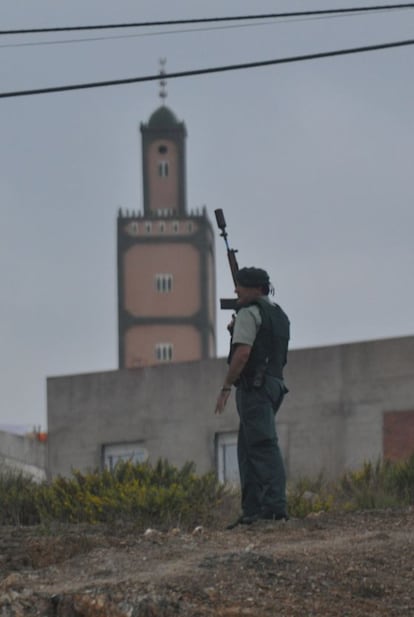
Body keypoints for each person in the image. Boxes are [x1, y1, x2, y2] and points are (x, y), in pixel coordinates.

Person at [214, 266, 290, 528]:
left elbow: (243, 354)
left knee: (261, 446)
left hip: (255, 388)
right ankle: (253, 510)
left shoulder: (249, 313)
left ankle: (273, 508)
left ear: (256, 289)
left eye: (241, 286)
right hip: (274, 385)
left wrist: (226, 386)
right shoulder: (278, 314)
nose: (236, 290)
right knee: (248, 448)